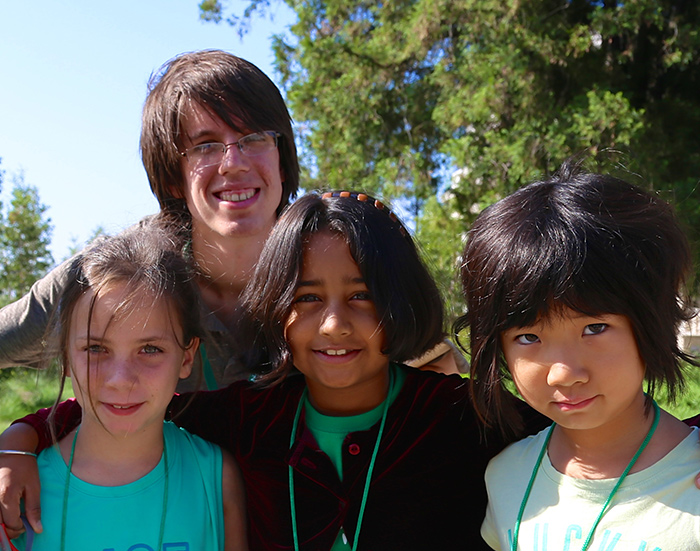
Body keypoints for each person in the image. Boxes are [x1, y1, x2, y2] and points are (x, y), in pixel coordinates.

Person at [3, 192, 546, 550]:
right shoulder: (247, 415)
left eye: (362, 296)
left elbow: (581, 439)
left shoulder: (466, 415)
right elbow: (129, 403)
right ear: (275, 307)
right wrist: (20, 439)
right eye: (307, 298)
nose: (333, 324)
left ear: (399, 301)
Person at [0, 49, 300, 392]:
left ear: (281, 156)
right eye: (206, 146)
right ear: (173, 176)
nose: (234, 163)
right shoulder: (113, 274)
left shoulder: (334, 256)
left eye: (254, 138)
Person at [458, 163, 700, 549]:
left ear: (650, 320)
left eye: (594, 329)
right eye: (528, 336)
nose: (563, 374)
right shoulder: (505, 476)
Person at [6, 224, 247, 550]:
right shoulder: (15, 493)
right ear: (65, 354)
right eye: (95, 348)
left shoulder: (217, 478)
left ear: (186, 357)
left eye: (150, 349)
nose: (120, 379)